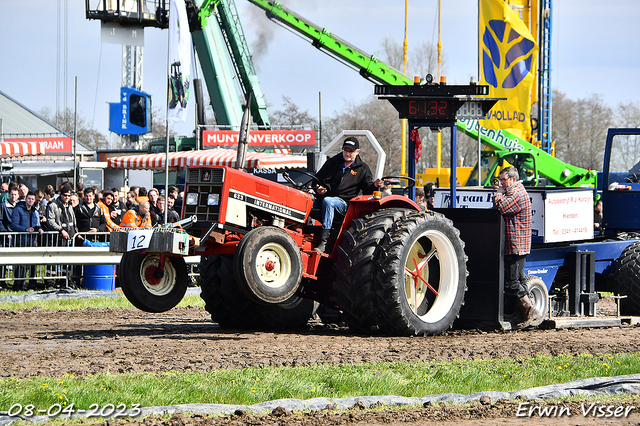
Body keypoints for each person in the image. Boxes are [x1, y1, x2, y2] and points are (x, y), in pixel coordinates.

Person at [313, 136, 383, 252]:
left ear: (357, 152)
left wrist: (374, 186)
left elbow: (367, 190)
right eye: (346, 150)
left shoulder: (362, 168)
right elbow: (317, 179)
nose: (347, 154)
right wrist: (319, 188)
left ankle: (323, 242)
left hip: (346, 204)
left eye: (351, 151)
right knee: (307, 199)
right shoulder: (333, 162)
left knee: (329, 202)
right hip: (325, 197)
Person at [492, 166, 542, 328]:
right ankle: (520, 312)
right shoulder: (515, 192)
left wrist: (498, 193)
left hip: (516, 244)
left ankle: (530, 310)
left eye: (504, 180)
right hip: (516, 244)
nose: (502, 183)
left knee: (512, 282)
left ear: (513, 179)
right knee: (519, 280)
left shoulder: (517, 193)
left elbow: (501, 206)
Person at [11, 192, 44, 290]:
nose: (31, 201)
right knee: (21, 265)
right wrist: (26, 229)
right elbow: (14, 225)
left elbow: (36, 224)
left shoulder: (34, 211)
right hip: (21, 241)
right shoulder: (18, 209)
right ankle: (18, 284)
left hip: (32, 241)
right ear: (26, 199)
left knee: (32, 263)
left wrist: (39, 229)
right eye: (29, 199)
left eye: (33, 199)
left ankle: (31, 284)